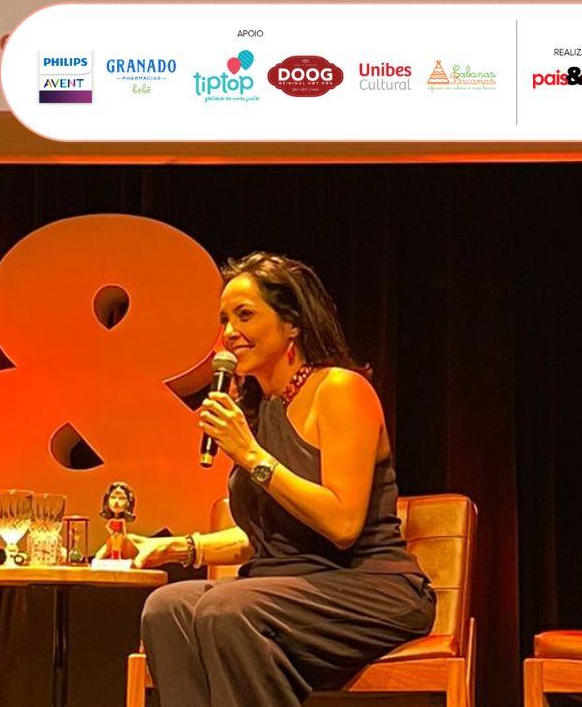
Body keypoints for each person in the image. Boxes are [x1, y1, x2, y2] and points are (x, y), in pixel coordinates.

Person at [130, 252, 436, 707]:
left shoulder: (340, 390)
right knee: (167, 607)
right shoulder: (258, 409)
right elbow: (272, 534)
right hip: (282, 588)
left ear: (292, 324)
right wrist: (180, 547)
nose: (229, 333)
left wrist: (250, 455)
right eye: (224, 320)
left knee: (226, 609)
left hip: (368, 588)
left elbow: (342, 523)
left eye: (244, 315)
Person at [94, 481, 136, 561]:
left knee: (117, 549)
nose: (116, 502)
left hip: (120, 539)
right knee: (99, 556)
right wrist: (112, 532)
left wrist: (120, 536)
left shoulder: (122, 521)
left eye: (121, 498)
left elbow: (124, 533)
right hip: (113, 538)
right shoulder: (112, 521)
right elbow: (108, 526)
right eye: (113, 497)